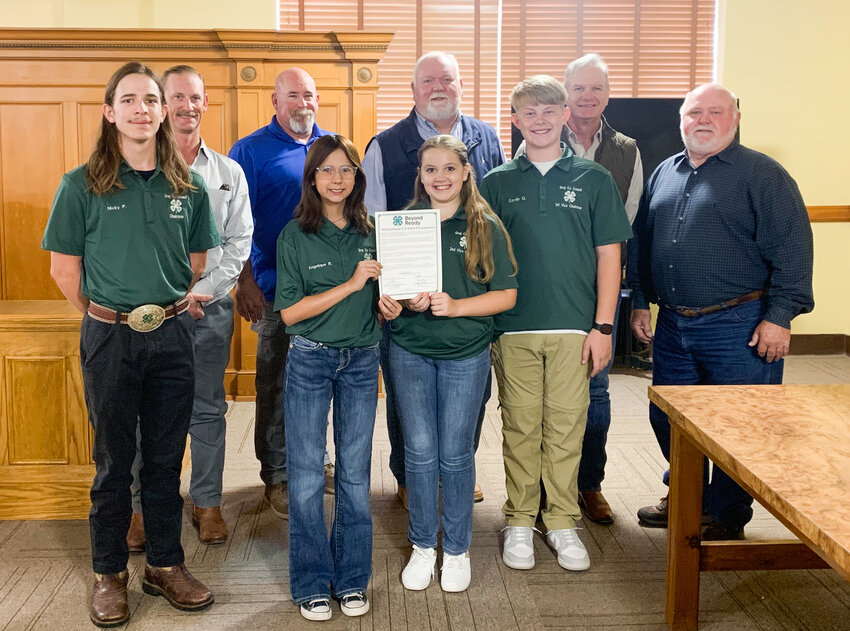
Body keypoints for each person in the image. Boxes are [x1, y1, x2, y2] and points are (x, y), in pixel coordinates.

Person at [41, 62, 219, 627]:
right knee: (115, 462)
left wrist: (158, 313)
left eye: (151, 99)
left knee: (166, 459)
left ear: (165, 111)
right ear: (109, 111)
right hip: (109, 338)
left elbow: (195, 264)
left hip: (171, 334)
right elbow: (65, 271)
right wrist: (106, 318)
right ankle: (109, 572)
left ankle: (165, 564)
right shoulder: (80, 185)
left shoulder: (186, 188)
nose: (142, 108)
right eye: (130, 100)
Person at [628, 83, 814, 540]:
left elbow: (793, 249)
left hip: (741, 325)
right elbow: (644, 242)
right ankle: (689, 495)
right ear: (681, 121)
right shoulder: (666, 172)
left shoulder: (763, 176)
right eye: (694, 113)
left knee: (739, 425)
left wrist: (780, 316)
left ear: (735, 119)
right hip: (674, 323)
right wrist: (639, 301)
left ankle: (726, 515)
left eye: (716, 112)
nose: (704, 121)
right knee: (668, 417)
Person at [480, 75, 631, 573]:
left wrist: (604, 327)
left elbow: (610, 256)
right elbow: (479, 256)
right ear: (516, 119)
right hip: (514, 328)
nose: (539, 120)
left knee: (567, 428)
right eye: (529, 112)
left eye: (549, 111)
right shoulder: (496, 182)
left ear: (566, 115)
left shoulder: (594, 179)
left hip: (575, 328)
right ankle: (521, 519)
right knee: (521, 426)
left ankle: (563, 520)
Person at [362, 51, 505, 506]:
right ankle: (408, 475)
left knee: (473, 395)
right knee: (409, 403)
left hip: (469, 299)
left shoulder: (487, 138)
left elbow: (493, 212)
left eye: (447, 79)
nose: (438, 87)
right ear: (413, 90)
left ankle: (458, 466)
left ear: (461, 85)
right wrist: (386, 294)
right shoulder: (384, 145)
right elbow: (370, 226)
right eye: (428, 81)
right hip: (407, 305)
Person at [125, 65, 253, 550]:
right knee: (142, 413)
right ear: (161, 105)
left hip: (209, 310)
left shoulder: (227, 172)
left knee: (206, 408)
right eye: (176, 97)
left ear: (204, 103)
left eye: (194, 97)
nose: (186, 106)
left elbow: (240, 240)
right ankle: (139, 510)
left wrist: (206, 291)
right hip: (147, 314)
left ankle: (207, 503)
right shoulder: (134, 170)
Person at [275, 135, 401, 621]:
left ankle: (350, 580)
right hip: (310, 359)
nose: (337, 179)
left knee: (354, 474)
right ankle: (310, 581)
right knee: (307, 476)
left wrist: (386, 304)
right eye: (326, 170)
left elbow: (385, 296)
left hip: (362, 362)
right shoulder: (294, 236)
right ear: (312, 178)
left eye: (346, 170)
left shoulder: (373, 231)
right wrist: (350, 283)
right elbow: (289, 313)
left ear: (357, 177)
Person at [392, 135, 517, 593]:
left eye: (449, 168)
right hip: (410, 350)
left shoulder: (485, 224)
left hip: (465, 353)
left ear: (466, 172)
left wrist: (456, 306)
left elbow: (507, 295)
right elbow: (389, 292)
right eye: (430, 170)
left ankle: (458, 548)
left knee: (455, 453)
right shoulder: (404, 224)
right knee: (420, 453)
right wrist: (403, 302)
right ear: (420, 176)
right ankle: (424, 545)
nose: (440, 177)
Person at [228, 68, 332, 520]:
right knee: (276, 381)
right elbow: (232, 223)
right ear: (275, 101)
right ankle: (277, 475)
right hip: (273, 290)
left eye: (308, 95)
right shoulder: (249, 151)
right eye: (292, 96)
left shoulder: (332, 145)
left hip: (328, 292)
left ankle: (311, 461)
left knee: (320, 379)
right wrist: (244, 280)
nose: (301, 103)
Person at [563, 53, 643, 525]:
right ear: (566, 93)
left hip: (601, 290)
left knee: (596, 391)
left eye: (596, 89)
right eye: (579, 88)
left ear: (607, 95)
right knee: (550, 396)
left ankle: (589, 485)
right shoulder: (542, 135)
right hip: (552, 289)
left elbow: (627, 222)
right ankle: (546, 487)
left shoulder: (627, 149)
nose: (587, 97)